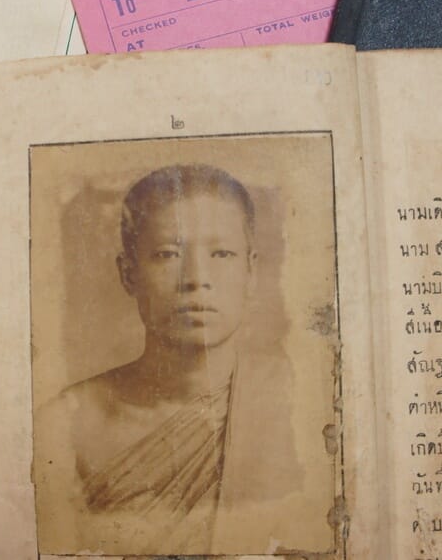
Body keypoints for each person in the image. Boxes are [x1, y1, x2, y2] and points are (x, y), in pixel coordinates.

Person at [34, 164, 302, 554]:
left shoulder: (297, 408)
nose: (196, 278)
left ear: (251, 270)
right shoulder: (64, 425)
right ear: (128, 273)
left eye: (221, 253)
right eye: (167, 254)